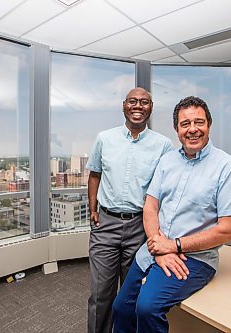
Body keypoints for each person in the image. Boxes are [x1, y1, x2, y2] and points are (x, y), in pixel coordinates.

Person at [112, 96, 231, 333]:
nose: (193, 129)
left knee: (147, 308)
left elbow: (227, 230)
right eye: (185, 124)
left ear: (209, 124)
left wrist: (173, 246)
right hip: (154, 250)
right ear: (177, 129)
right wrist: (158, 245)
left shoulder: (228, 167)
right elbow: (150, 207)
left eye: (199, 122)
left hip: (194, 259)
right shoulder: (167, 161)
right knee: (121, 309)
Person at [86, 87, 173, 333]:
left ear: (151, 107)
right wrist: (92, 208)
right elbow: (94, 174)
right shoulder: (105, 138)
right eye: (133, 101)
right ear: (124, 105)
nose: (138, 106)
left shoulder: (163, 145)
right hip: (106, 225)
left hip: (139, 228)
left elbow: (165, 188)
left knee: (131, 293)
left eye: (144, 102)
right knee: (100, 294)